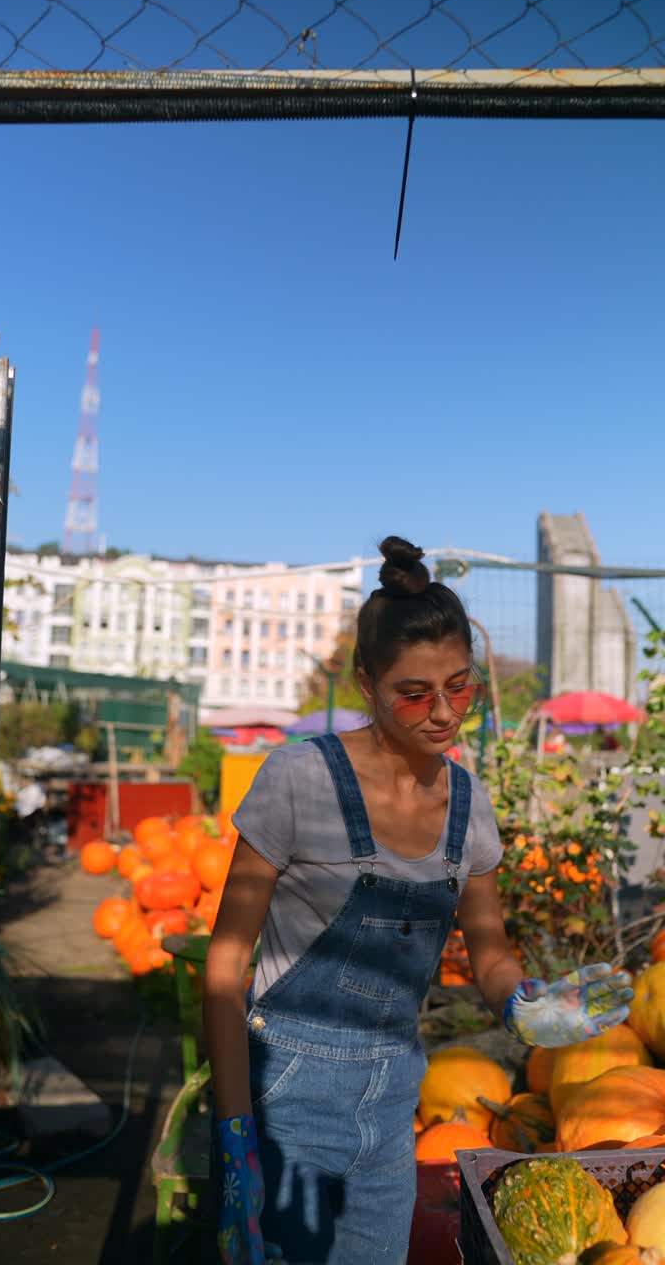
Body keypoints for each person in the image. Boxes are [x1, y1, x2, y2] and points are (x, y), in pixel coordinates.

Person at [203, 536, 633, 1265]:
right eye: (415, 693)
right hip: (288, 1105)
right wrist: (236, 1137)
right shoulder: (299, 780)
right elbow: (224, 968)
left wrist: (526, 1006)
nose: (442, 713)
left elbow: (489, 949)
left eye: (460, 687)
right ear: (367, 682)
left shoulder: (471, 803)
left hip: (396, 1097)